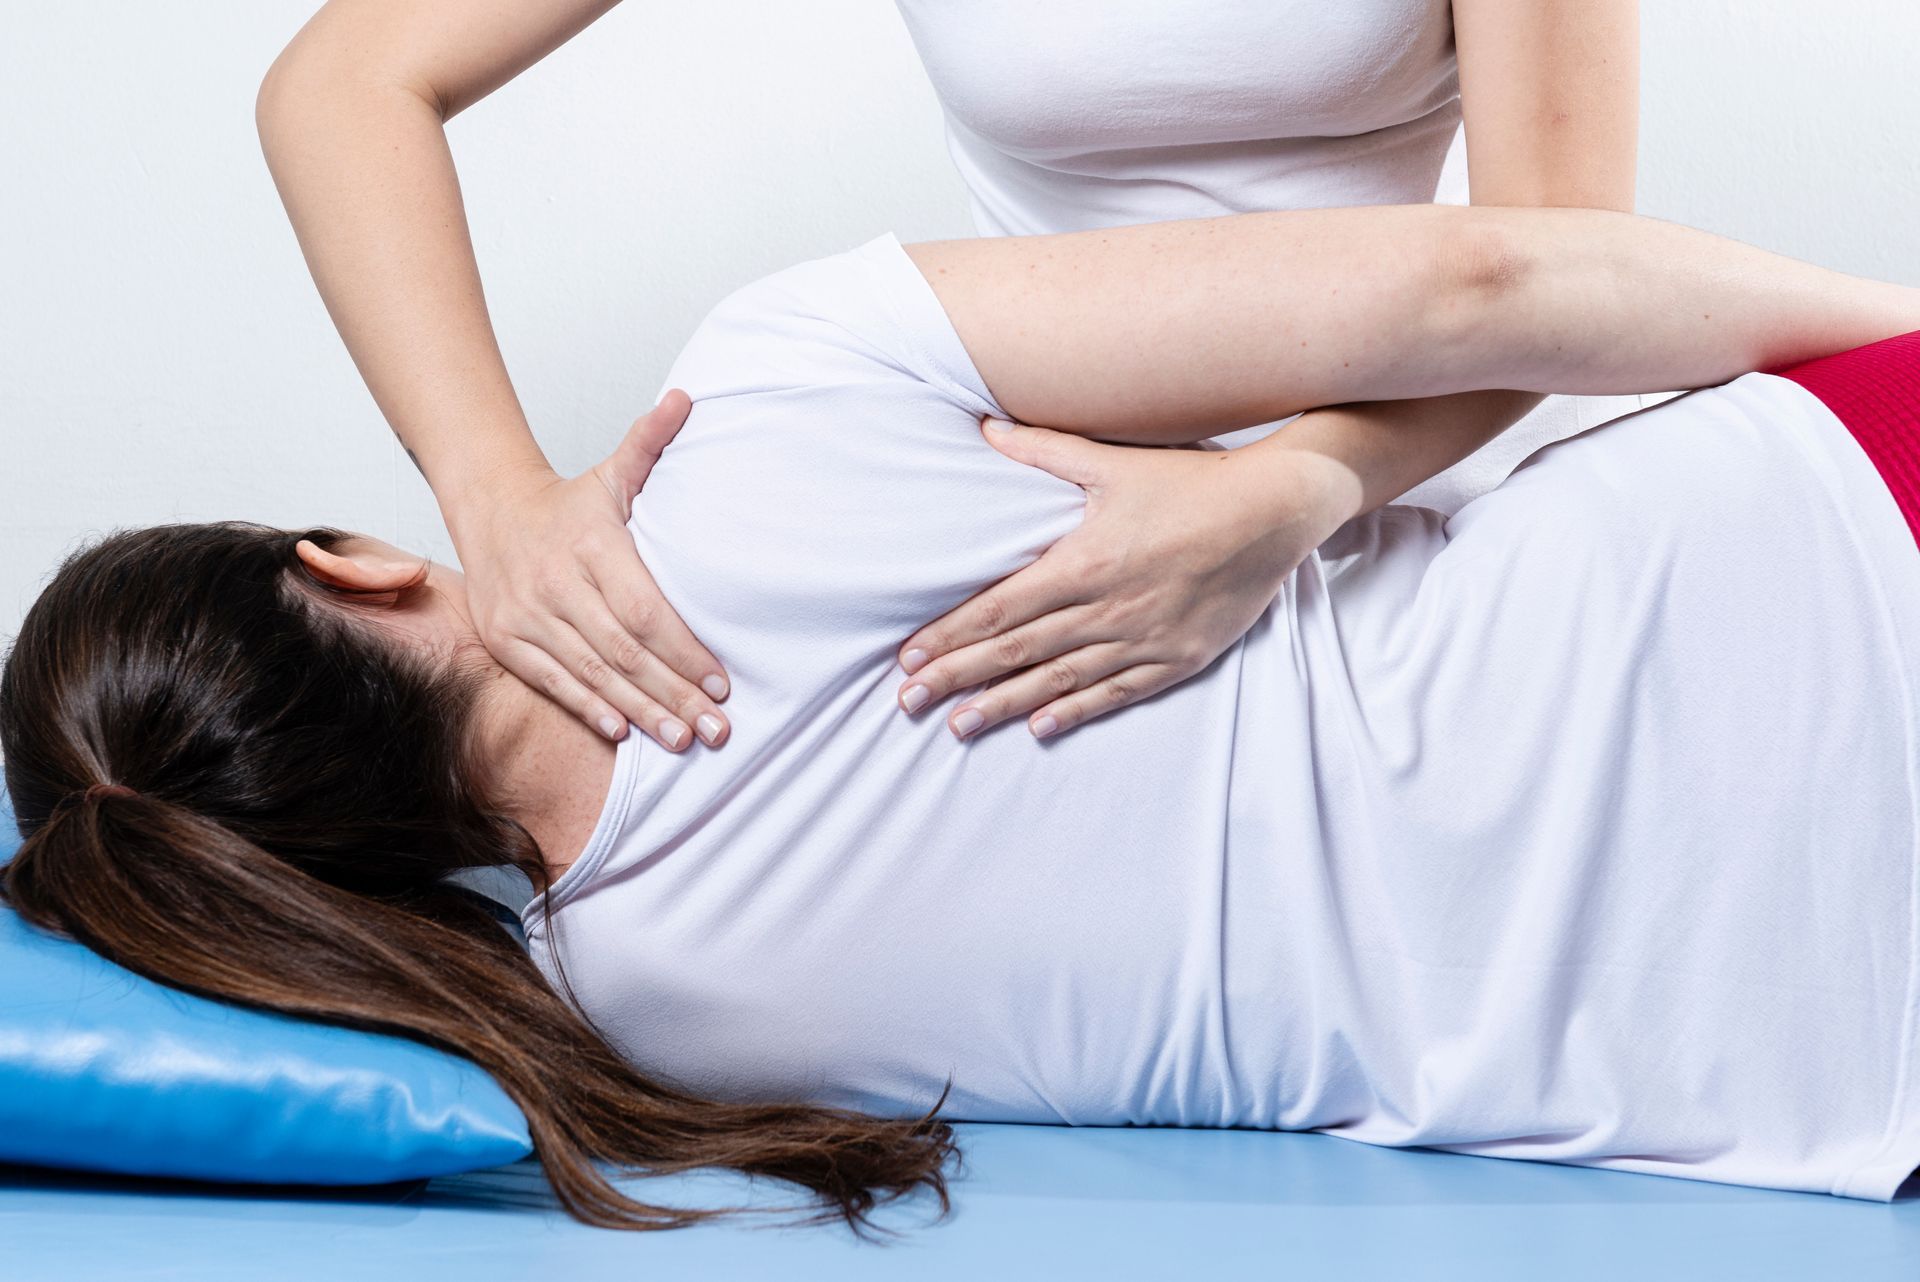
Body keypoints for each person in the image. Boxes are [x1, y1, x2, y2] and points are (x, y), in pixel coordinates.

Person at [7, 203, 1920, 1233]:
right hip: (1821, 551)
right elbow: (1478, 280)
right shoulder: (779, 385)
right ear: (347, 563)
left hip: (1806, 1057)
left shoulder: (626, 1027)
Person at [253, 0, 1637, 753]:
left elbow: (1564, 268)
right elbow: (343, 83)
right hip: (1038, 559)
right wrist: (492, 495)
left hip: (1407, 516)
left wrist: (1300, 485)